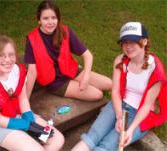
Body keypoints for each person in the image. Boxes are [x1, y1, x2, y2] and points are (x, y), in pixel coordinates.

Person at [72, 22, 167, 151]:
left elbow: (146, 106)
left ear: (144, 41)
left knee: (106, 146)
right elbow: (115, 91)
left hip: (140, 115)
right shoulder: (120, 60)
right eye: (125, 42)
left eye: (133, 42)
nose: (128, 47)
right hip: (118, 104)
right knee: (92, 136)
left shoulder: (156, 71)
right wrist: (119, 116)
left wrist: (130, 130)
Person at [0, 34, 64, 151]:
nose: (8, 60)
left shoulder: (17, 70)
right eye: (1, 56)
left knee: (57, 139)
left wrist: (29, 118)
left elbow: (23, 99)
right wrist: (25, 125)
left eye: (11, 55)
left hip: (18, 114)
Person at [24, 0, 112, 101]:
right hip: (55, 81)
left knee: (109, 84)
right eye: (45, 18)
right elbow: (32, 72)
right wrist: (25, 100)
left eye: (54, 18)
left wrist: (86, 76)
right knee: (98, 94)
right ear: (39, 20)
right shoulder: (32, 39)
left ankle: (79, 83)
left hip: (71, 70)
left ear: (58, 19)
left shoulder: (64, 31)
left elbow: (88, 55)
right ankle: (75, 86)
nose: (50, 22)